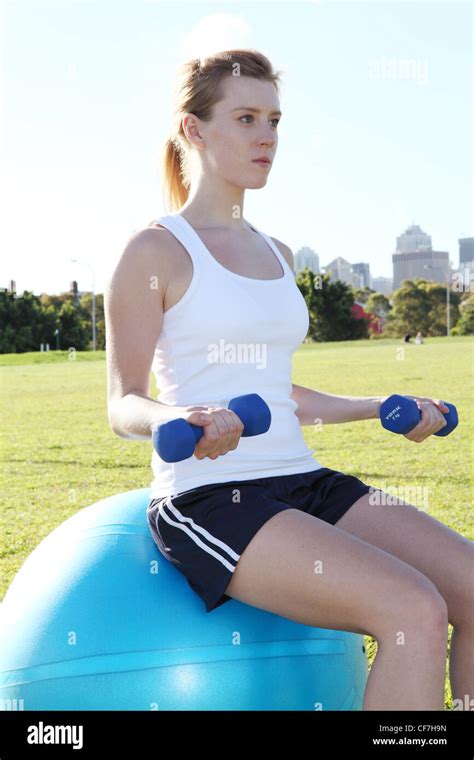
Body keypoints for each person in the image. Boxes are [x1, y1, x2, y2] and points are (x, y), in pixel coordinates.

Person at [104, 49, 473, 711]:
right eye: (245, 118)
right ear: (194, 129)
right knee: (414, 611)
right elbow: (123, 400)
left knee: (471, 586)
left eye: (274, 119)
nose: (267, 136)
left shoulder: (273, 253)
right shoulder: (154, 251)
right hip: (212, 496)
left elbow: (279, 395)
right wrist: (177, 421)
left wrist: (380, 405)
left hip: (300, 480)